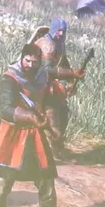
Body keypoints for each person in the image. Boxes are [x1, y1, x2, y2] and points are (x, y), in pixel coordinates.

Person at [0, 43, 61, 207]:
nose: (31, 65)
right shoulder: (9, 79)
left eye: (35, 62)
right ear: (22, 58)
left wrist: (52, 124)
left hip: (37, 137)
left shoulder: (42, 77)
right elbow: (5, 109)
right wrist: (30, 117)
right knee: (1, 186)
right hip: (13, 136)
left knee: (47, 183)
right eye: (27, 61)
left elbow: (49, 102)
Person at [31, 18, 86, 158]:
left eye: (63, 31)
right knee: (51, 117)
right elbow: (46, 70)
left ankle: (57, 148)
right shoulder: (46, 44)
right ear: (54, 29)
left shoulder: (60, 44)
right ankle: (48, 151)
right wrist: (71, 73)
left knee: (62, 115)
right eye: (59, 30)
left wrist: (70, 81)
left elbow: (64, 63)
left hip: (51, 86)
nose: (61, 34)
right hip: (38, 85)